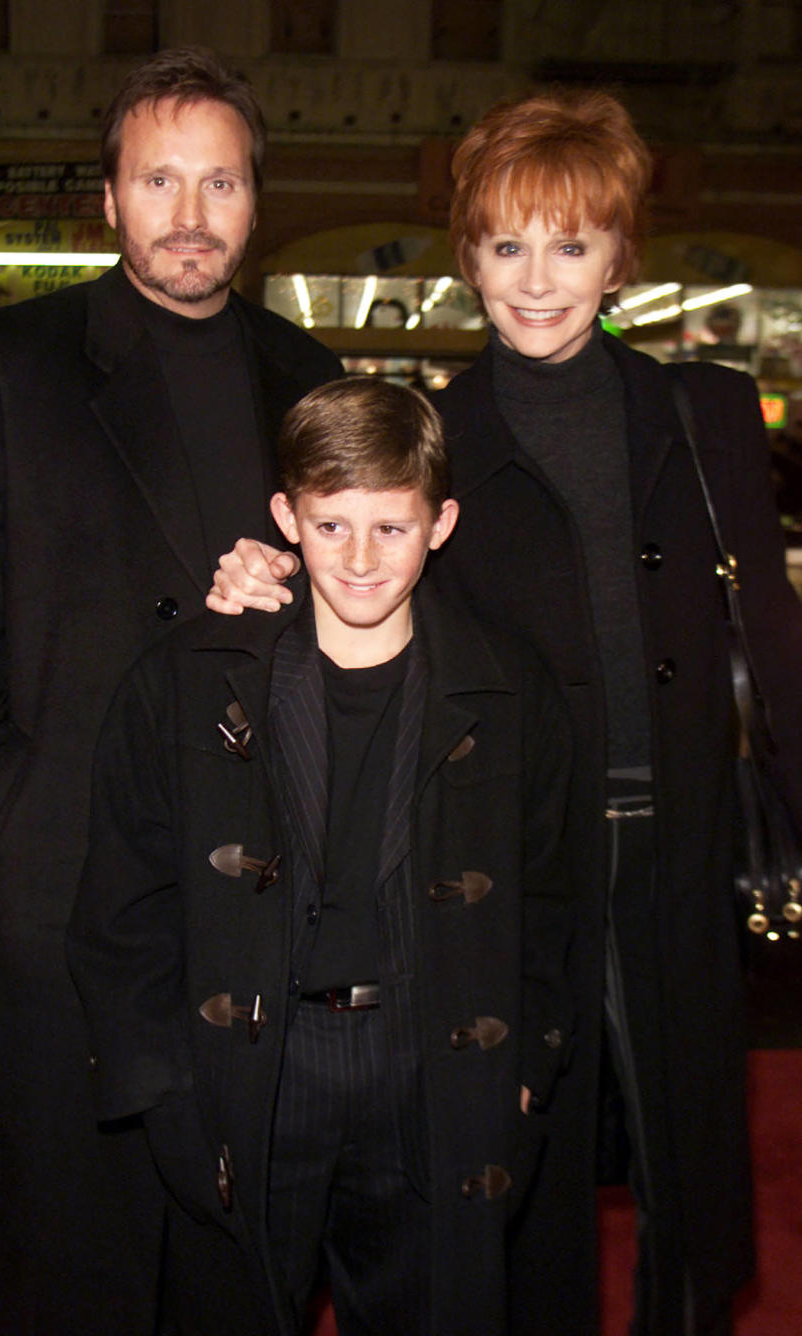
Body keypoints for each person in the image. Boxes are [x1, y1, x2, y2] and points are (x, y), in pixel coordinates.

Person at [206, 91, 802, 1336]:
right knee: (518, 1168)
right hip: (512, 864)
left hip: (681, 845)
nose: (539, 280)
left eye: (572, 245)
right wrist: (255, 583)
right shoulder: (435, 436)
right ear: (468, 256)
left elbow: (776, 643)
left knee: (688, 1167)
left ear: (619, 256)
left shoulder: (706, 414)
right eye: (508, 245)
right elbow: (348, 557)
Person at [0, 46, 342, 1336]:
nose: (190, 214)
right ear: (110, 199)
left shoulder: (310, 382)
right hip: (60, 884)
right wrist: (0, 821)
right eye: (159, 180)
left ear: (258, 202)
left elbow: (380, 609)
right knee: (52, 1261)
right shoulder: (7, 366)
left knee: (230, 1262)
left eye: (221, 183)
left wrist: (303, 593)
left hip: (256, 899)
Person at [67, 376, 574, 1336]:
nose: (362, 558)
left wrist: (526, 1070)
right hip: (255, 1068)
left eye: (393, 527)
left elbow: (554, 892)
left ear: (443, 523)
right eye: (332, 524)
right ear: (284, 518)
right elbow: (122, 902)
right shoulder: (187, 682)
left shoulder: (509, 690)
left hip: (431, 1064)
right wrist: (165, 1088)